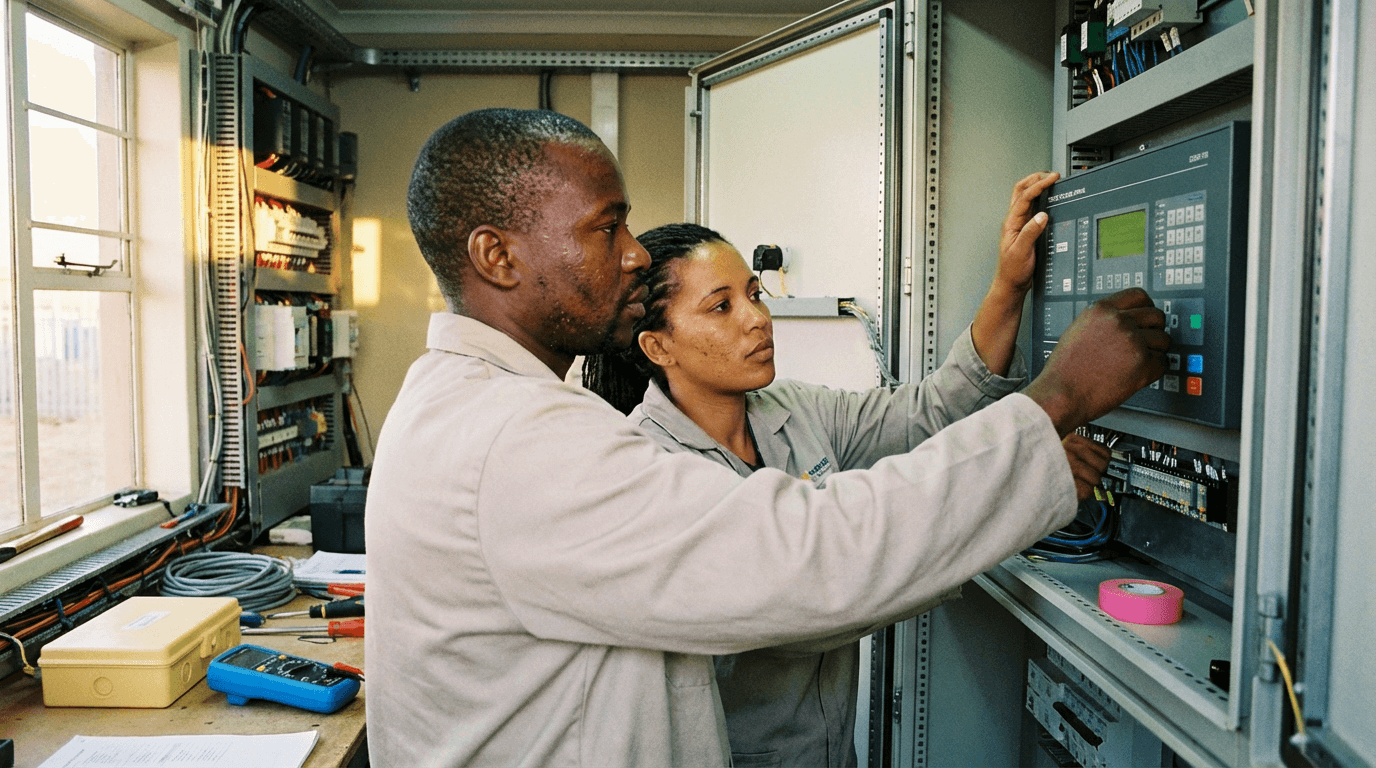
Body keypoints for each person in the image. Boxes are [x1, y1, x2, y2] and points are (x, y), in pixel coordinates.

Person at [365, 107, 1169, 767]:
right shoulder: (523, 438)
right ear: (496, 256)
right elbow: (810, 556)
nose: (634, 253)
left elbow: (925, 416)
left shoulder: (462, 402)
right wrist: (1057, 398)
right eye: (607, 230)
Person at [581, 216, 1110, 768]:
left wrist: (1009, 286)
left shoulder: (793, 410)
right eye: (722, 307)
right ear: (659, 346)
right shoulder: (651, 467)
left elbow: (932, 410)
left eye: (754, 294)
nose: (758, 319)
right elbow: (805, 606)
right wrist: (1023, 471)